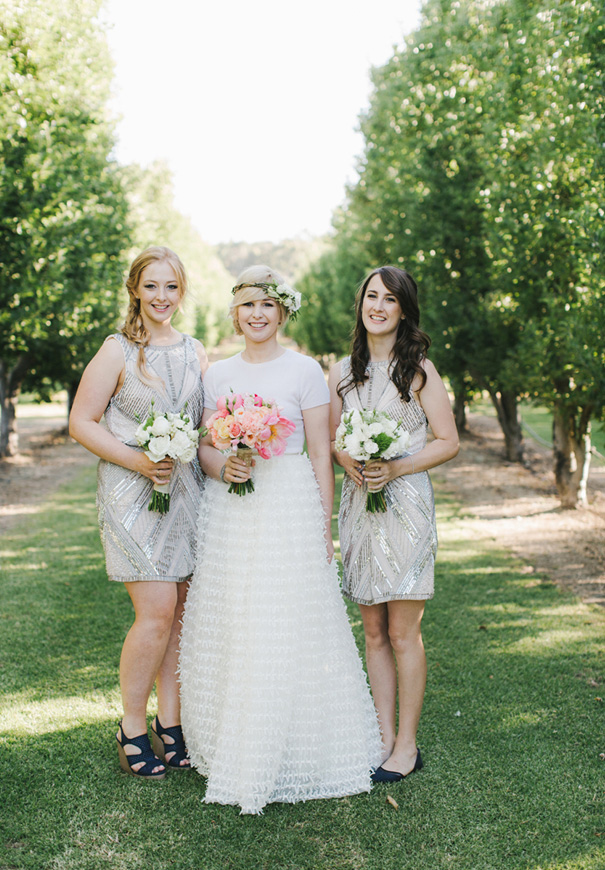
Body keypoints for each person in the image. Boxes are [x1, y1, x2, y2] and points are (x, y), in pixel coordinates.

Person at [178, 265, 382, 814]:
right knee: (236, 614)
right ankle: (232, 739)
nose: (257, 315)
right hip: (233, 508)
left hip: (289, 502)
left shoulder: (305, 372)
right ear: (235, 312)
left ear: (283, 311)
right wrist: (225, 468)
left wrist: (322, 525)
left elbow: (321, 452)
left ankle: (299, 743)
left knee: (289, 616)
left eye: (267, 305)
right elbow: (203, 446)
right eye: (248, 305)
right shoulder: (216, 375)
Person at [69, 246, 208, 779]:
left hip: (187, 494)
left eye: (171, 287)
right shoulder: (118, 350)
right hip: (133, 495)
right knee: (153, 613)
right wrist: (139, 461)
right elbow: (83, 420)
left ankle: (170, 725)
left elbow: (202, 425)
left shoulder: (195, 352)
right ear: (135, 290)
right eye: (151, 286)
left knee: (179, 616)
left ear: (182, 291)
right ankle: (131, 724)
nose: (161, 297)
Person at [329, 266, 459, 783]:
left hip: (405, 508)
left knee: (404, 633)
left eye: (389, 298)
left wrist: (396, 466)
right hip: (359, 508)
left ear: (404, 309)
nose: (377, 306)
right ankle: (382, 737)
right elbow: (334, 440)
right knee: (374, 631)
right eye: (370, 296)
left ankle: (407, 745)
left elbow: (447, 441)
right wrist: (349, 461)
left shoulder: (420, 370)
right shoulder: (342, 371)